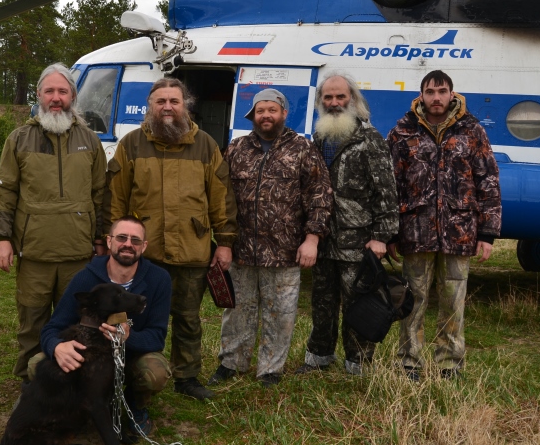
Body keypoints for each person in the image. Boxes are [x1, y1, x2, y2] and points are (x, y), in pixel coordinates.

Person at [104, 77, 238, 401]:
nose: (167, 107)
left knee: (188, 318)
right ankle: (135, 371)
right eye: (160, 101)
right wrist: (112, 240)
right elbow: (115, 199)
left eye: (173, 101)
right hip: (143, 254)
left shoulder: (205, 145)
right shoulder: (131, 144)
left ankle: (187, 377)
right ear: (150, 106)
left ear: (185, 105)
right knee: (137, 316)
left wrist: (225, 242)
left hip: (192, 250)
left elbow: (221, 197)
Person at [0, 63, 107, 382]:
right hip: (35, 253)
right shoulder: (19, 139)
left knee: (78, 321)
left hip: (78, 253)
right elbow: (4, 193)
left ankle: (76, 380)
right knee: (32, 322)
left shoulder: (90, 141)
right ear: (39, 95)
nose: (56, 98)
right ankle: (33, 381)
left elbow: (100, 194)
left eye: (63, 91)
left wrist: (101, 240)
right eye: (49, 91)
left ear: (73, 96)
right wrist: (1, 238)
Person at [208, 89, 331, 388]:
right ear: (253, 115)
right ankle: (232, 363)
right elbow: (220, 195)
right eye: (260, 110)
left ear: (284, 114)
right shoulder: (236, 148)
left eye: (272, 110)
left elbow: (320, 195)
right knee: (236, 311)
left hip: (284, 251)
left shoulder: (302, 149)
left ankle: (270, 369)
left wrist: (311, 239)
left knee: (280, 314)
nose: (266, 115)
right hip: (242, 250)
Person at [386, 70, 502, 380]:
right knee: (413, 300)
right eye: (430, 91)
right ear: (421, 95)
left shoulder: (472, 130)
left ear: (452, 94)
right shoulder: (402, 131)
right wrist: (389, 234)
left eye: (442, 91)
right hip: (415, 231)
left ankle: (449, 364)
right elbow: (390, 185)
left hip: (459, 230)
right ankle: (409, 363)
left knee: (453, 301)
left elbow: (488, 181)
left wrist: (487, 232)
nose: (436, 97)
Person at [292, 72, 399, 376]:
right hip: (323, 239)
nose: (335, 103)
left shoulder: (371, 139)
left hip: (358, 241)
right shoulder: (318, 138)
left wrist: (381, 236)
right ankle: (318, 358)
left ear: (353, 99)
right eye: (328, 97)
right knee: (322, 302)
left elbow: (387, 192)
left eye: (341, 96)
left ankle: (359, 364)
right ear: (320, 102)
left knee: (358, 304)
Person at [36, 216, 172, 441]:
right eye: (121, 237)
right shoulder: (86, 277)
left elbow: (157, 336)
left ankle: (134, 405)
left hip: (130, 357)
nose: (128, 244)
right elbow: (53, 326)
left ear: (144, 246)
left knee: (155, 373)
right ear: (109, 242)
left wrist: (129, 337)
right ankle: (73, 408)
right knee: (36, 365)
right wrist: (57, 346)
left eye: (135, 240)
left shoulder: (159, 279)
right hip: (93, 358)